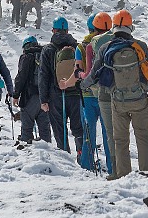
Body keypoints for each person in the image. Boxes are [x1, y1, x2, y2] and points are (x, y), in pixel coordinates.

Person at [87, 10, 148, 180]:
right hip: (139, 99)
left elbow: (94, 74)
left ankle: (122, 175)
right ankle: (147, 172)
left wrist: (82, 84)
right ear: (130, 26)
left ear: (114, 27)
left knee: (120, 139)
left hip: (117, 100)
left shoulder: (105, 48)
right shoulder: (140, 46)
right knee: (142, 136)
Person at [74, 13, 113, 174]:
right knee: (108, 134)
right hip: (107, 94)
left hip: (88, 95)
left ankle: (87, 167)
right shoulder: (113, 44)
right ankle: (113, 168)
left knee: (88, 133)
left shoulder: (82, 47)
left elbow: (78, 70)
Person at [38, 17, 83, 155]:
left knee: (59, 130)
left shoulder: (48, 49)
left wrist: (43, 100)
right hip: (75, 94)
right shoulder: (77, 47)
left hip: (56, 95)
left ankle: (66, 159)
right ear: (67, 31)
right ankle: (83, 157)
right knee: (79, 130)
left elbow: (43, 76)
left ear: (53, 30)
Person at [12, 36, 52, 143]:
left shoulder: (26, 57)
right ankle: (48, 150)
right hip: (45, 97)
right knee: (44, 128)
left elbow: (21, 77)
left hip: (29, 96)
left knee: (27, 126)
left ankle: (27, 147)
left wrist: (16, 95)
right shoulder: (45, 56)